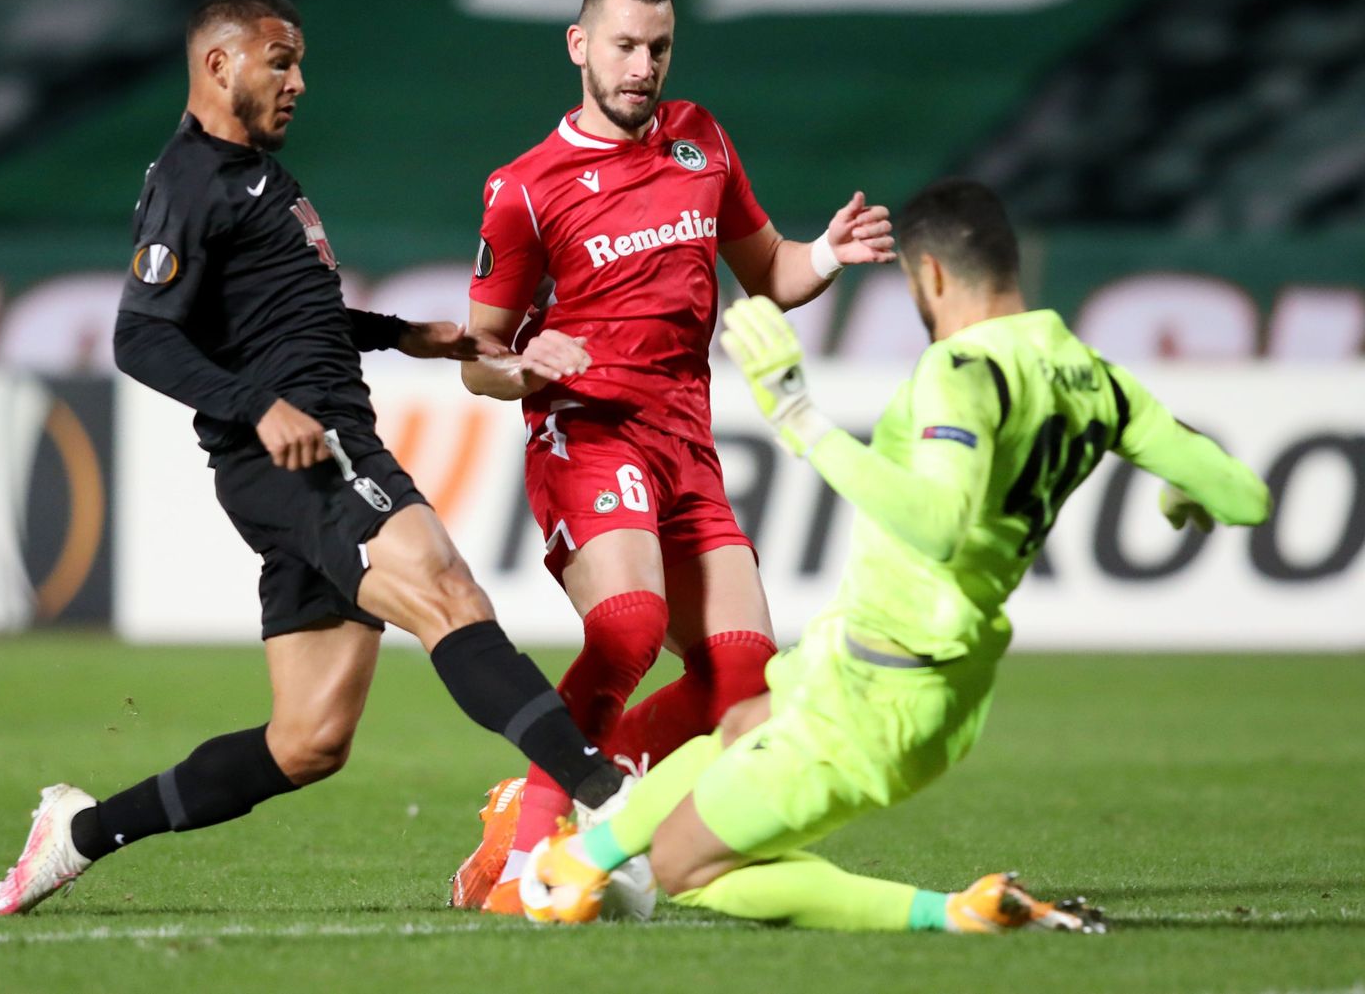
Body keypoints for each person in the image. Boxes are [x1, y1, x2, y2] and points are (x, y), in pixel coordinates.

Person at [0, 0, 629, 918]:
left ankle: (77, 834)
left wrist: (406, 334)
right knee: (447, 590)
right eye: (279, 61)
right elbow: (141, 336)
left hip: (314, 447)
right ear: (219, 65)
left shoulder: (255, 179)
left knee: (310, 739)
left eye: (299, 63)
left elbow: (287, 316)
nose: (299, 82)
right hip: (302, 457)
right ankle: (608, 800)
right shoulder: (189, 179)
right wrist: (259, 407)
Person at [522, 179, 1272, 932]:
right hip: (915, 671)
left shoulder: (963, 372)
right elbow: (1245, 497)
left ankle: (954, 914)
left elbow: (940, 523)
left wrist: (797, 416)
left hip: (883, 690)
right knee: (745, 719)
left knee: (689, 867)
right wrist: (1183, 490)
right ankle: (587, 853)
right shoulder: (1097, 378)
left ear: (932, 276)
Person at [450, 0, 897, 914]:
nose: (642, 65)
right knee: (628, 626)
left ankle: (568, 809)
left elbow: (767, 267)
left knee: (742, 683)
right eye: (623, 45)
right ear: (579, 45)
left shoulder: (701, 142)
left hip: (684, 444)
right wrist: (524, 366)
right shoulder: (525, 189)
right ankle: (532, 856)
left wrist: (825, 253)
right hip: (588, 437)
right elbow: (476, 358)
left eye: (658, 47)